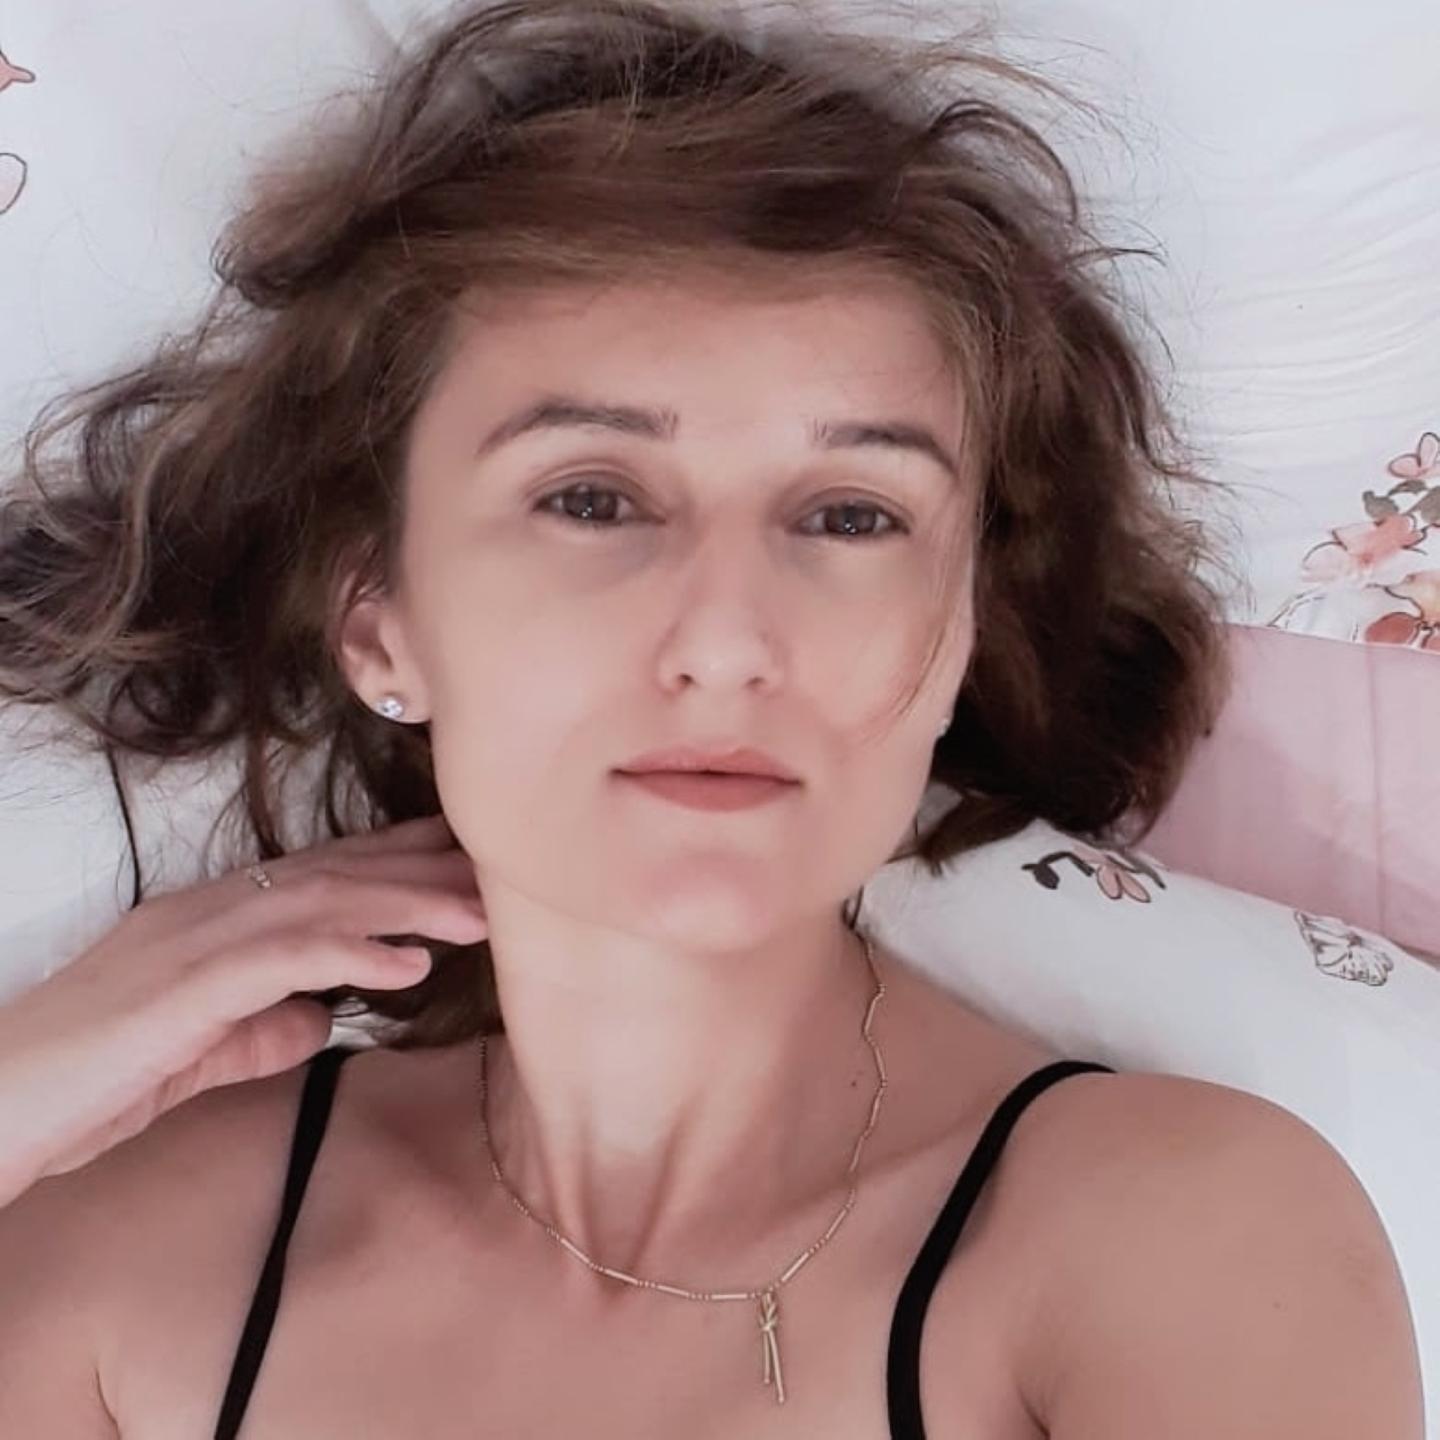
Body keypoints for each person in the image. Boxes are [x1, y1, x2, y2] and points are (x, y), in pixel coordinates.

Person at [0, 1, 1424, 1436]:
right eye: (592, 499)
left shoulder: (1175, 1243)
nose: (730, 643)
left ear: (957, 637)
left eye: (852, 516)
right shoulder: (122, 1261)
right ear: (380, 620)